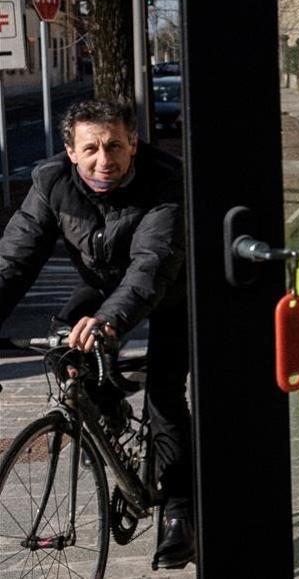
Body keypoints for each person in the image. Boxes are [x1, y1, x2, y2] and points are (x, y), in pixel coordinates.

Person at [0, 100, 193, 568]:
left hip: (172, 290)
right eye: (90, 148)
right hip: (102, 283)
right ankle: (107, 415)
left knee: (165, 396)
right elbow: (14, 261)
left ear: (133, 145)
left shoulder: (166, 179)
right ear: (70, 151)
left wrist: (108, 322)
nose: (103, 159)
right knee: (64, 353)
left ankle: (179, 514)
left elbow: (152, 265)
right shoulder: (51, 183)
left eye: (114, 146)